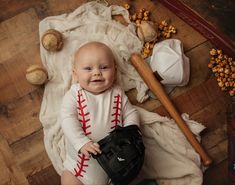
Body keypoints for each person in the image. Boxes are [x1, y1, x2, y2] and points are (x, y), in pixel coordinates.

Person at [60, 41, 140, 185]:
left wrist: (131, 132)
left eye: (104, 67)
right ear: (75, 74)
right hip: (79, 170)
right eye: (88, 68)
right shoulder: (74, 95)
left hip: (115, 168)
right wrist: (81, 142)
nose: (97, 72)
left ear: (114, 71)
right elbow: (67, 118)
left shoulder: (117, 93)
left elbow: (131, 113)